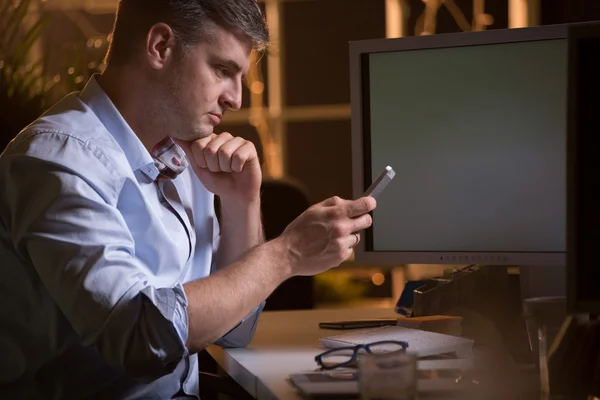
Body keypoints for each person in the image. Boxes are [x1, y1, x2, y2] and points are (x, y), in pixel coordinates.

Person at [0, 0, 376, 398]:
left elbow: (233, 330)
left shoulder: (186, 157)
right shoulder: (56, 162)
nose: (236, 98)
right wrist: (286, 254)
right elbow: (139, 340)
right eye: (223, 70)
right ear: (160, 46)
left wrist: (241, 204)